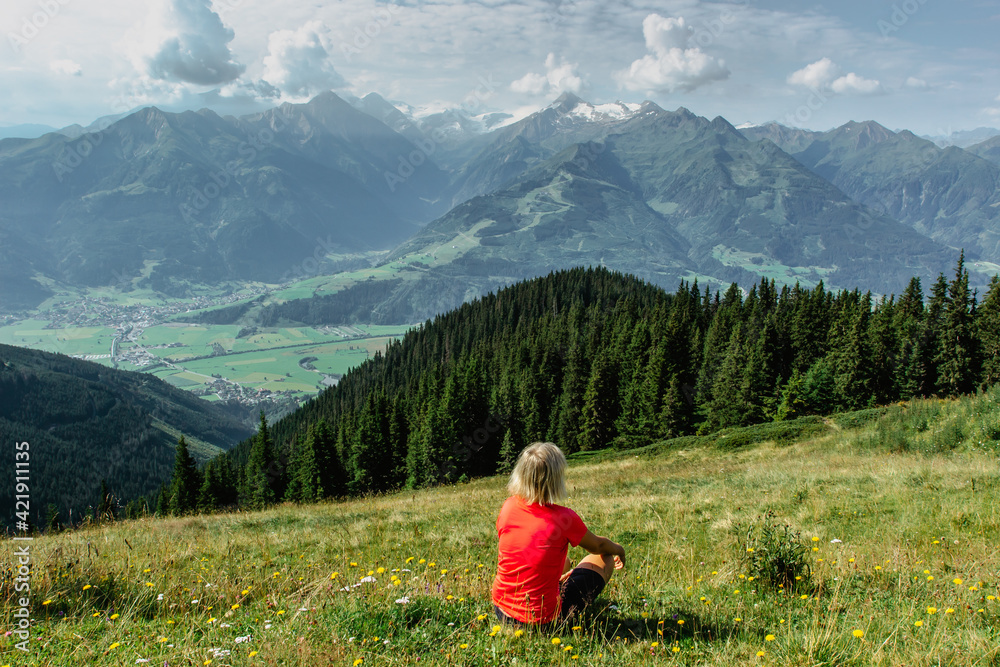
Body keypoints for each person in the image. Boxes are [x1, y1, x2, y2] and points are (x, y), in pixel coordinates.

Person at [491, 441, 626, 628]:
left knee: (566, 562)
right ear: (555, 479)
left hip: (502, 611)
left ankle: (551, 588)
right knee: (604, 558)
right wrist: (619, 549)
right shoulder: (564, 518)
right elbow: (599, 547)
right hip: (543, 621)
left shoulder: (508, 506)